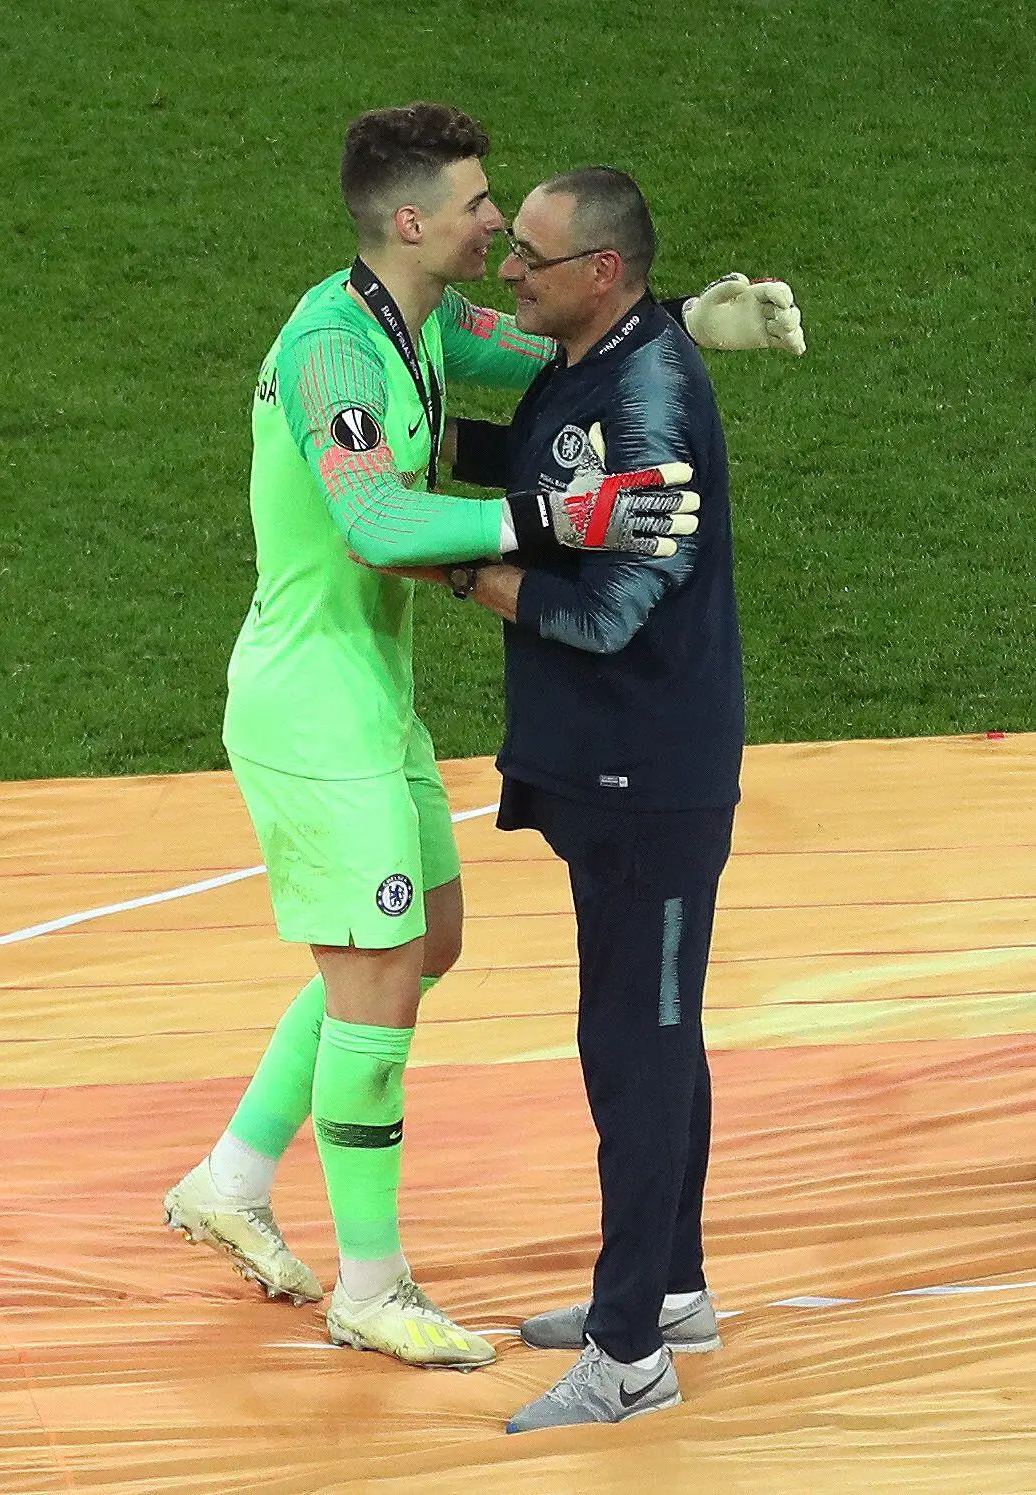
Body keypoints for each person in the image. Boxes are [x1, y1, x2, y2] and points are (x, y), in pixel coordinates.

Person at [163, 102, 803, 1372]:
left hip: (366, 692)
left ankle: (230, 1175)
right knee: (384, 974)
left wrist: (682, 325)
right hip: (311, 705)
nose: (497, 222)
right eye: (474, 202)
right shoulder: (338, 354)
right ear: (411, 221)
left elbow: (560, 348)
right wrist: (552, 517)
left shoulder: (425, 323)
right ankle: (371, 1282)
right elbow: (379, 529)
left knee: (420, 946)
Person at [421, 166, 759, 1428]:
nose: (507, 274)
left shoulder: (651, 396)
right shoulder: (601, 350)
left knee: (637, 1049)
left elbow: (611, 607)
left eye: (532, 260)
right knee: (650, 1036)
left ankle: (631, 1357)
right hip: (610, 768)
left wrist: (451, 562)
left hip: (649, 775)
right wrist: (414, 450)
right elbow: (557, 466)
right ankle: (671, 1289)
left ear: (600, 273)